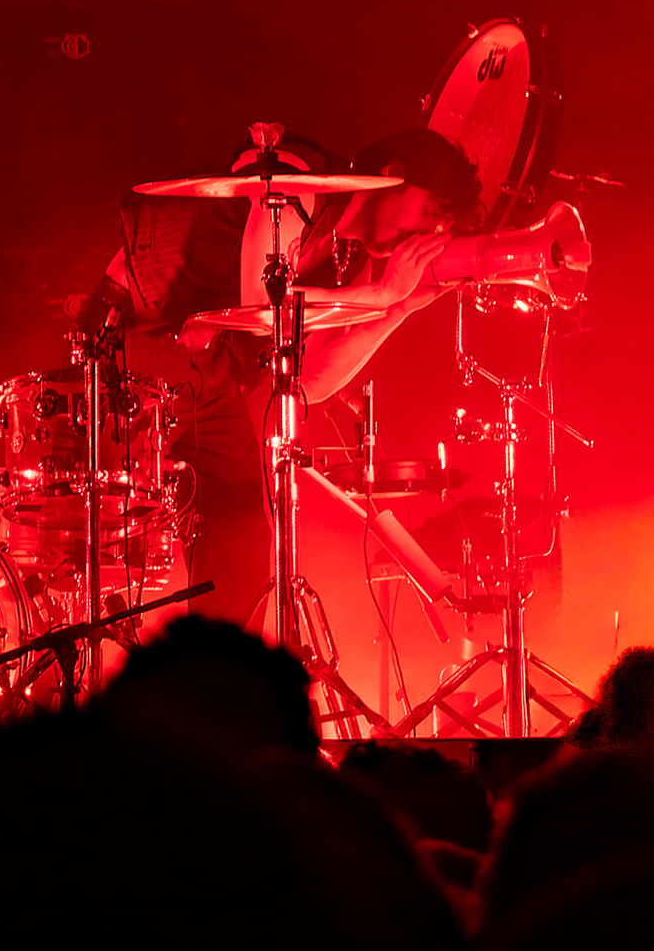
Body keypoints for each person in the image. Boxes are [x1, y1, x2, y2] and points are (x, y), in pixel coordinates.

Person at [100, 124, 581, 623]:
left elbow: (305, 384)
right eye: (429, 212)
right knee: (102, 535)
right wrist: (380, 295)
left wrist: (396, 311)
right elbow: (260, 301)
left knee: (243, 544)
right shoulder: (299, 180)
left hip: (209, 376)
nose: (425, 235)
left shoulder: (349, 260)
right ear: (393, 176)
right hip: (136, 340)